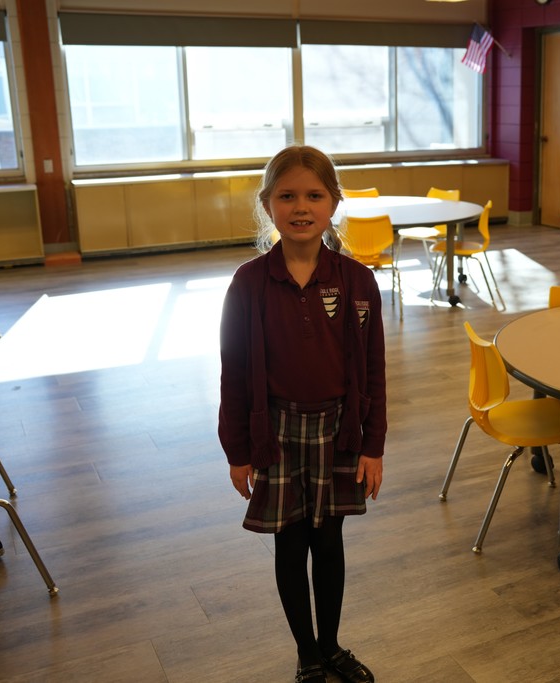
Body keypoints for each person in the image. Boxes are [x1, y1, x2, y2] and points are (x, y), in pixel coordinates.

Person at [218, 144, 386, 683]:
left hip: (338, 433)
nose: (301, 206)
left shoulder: (359, 282)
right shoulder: (248, 283)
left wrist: (372, 443)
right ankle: (307, 653)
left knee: (329, 543)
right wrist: (238, 452)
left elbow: (376, 371)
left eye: (314, 195)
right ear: (268, 205)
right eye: (287, 195)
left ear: (334, 202)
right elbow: (234, 373)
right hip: (278, 434)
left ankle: (333, 645)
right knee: (290, 545)